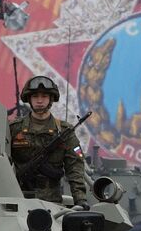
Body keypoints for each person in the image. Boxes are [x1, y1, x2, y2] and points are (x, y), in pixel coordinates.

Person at [9, 76, 89, 207]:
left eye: (44, 96)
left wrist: (80, 200)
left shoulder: (64, 131)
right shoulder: (14, 128)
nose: (39, 101)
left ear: (51, 99)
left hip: (52, 203)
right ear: (29, 99)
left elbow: (74, 167)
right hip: (19, 201)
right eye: (35, 97)